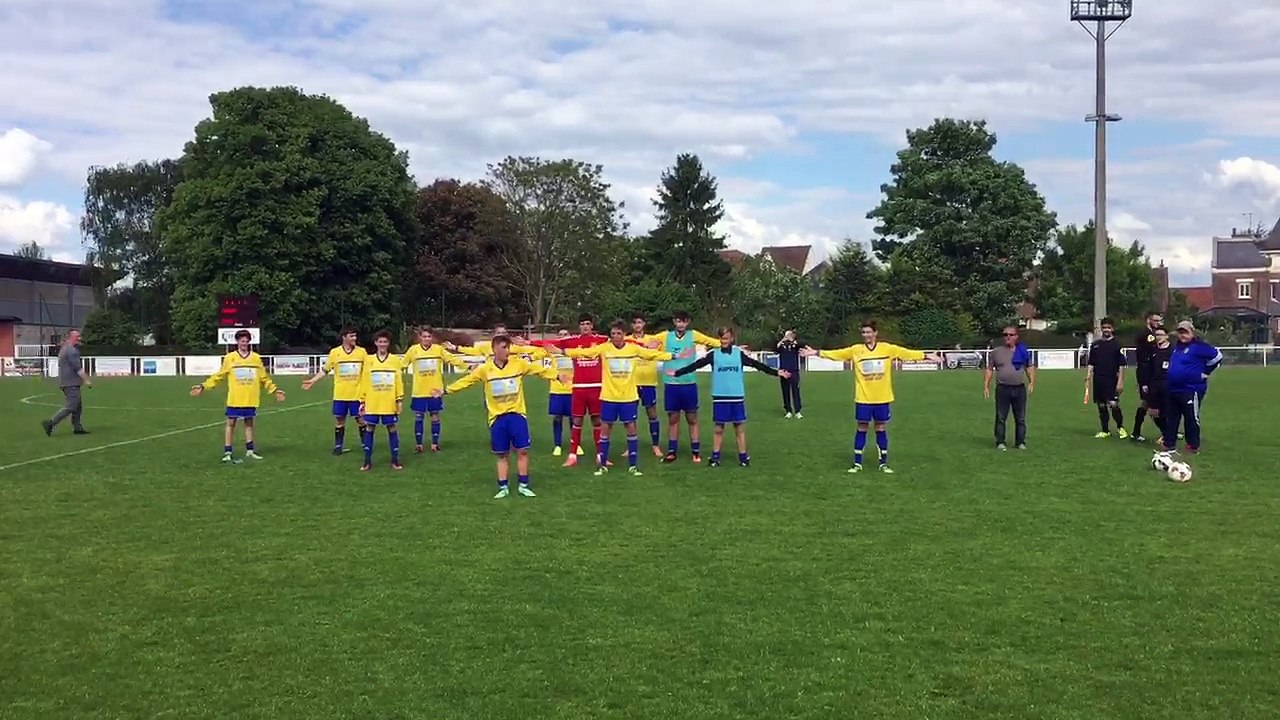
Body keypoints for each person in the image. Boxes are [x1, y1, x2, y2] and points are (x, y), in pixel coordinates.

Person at [435, 335, 570, 498]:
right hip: (497, 418)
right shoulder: (485, 369)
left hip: (517, 414)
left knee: (522, 451)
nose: (508, 351)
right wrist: (446, 391)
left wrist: (556, 375)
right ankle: (503, 487)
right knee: (501, 454)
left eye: (509, 347)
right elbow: (467, 381)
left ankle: (523, 485)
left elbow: (539, 371)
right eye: (504, 348)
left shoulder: (518, 364)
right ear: (494, 349)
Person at [800, 321, 941, 473]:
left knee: (880, 427)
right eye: (863, 332)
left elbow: (906, 353)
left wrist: (926, 356)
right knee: (862, 427)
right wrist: (815, 353)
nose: (866, 335)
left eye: (868, 332)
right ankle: (857, 463)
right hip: (863, 398)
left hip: (882, 397)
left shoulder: (887, 348)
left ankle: (883, 463)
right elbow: (837, 354)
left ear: (875, 333)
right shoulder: (856, 350)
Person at [551, 320, 679, 476]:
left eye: (619, 333)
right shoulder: (604, 348)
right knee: (605, 429)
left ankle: (633, 466)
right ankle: (602, 465)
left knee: (631, 429)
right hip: (609, 397)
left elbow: (652, 355)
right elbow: (585, 353)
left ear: (624, 334)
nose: (616, 336)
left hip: (628, 397)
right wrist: (562, 352)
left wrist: (674, 355)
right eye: (613, 334)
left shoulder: (633, 349)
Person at [667, 327, 788, 467]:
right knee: (718, 429)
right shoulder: (714, 355)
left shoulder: (739, 355)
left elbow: (757, 365)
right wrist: (677, 373)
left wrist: (776, 372)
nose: (723, 341)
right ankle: (715, 458)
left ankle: (743, 458)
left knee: (739, 428)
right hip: (720, 397)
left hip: (736, 396)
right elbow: (696, 365)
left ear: (731, 339)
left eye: (726, 338)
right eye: (721, 338)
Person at [189, 329, 285, 463]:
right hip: (235, 397)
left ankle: (250, 451)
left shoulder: (256, 358)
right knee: (231, 423)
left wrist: (275, 390)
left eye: (246, 341)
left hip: (250, 397)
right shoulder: (230, 358)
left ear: (249, 342)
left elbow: (264, 378)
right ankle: (228, 451)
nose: (244, 344)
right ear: (237, 342)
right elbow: (219, 375)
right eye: (242, 341)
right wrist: (203, 386)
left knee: (249, 424)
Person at [543, 315, 612, 467]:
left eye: (588, 323)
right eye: (582, 324)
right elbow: (551, 343)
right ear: (579, 326)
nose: (585, 326)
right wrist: (528, 342)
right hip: (579, 387)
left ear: (592, 325)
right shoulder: (573, 341)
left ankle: (601, 454)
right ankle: (572, 454)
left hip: (596, 386)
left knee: (597, 420)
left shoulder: (602, 340)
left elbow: (623, 340)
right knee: (577, 420)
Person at [657, 310, 720, 464]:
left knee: (692, 418)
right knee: (673, 418)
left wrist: (732, 345)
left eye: (684, 321)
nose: (681, 324)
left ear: (688, 322)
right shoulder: (665, 336)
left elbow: (714, 342)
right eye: (678, 321)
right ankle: (672, 451)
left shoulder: (694, 335)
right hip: (671, 384)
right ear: (674, 322)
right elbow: (645, 340)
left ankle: (695, 451)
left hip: (688, 383)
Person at [400, 326, 468, 453]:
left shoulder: (438, 350)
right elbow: (401, 365)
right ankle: (419, 444)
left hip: (435, 390)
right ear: (419, 337)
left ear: (432, 337)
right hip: (419, 390)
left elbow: (451, 359)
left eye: (429, 336)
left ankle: (434, 444)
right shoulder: (413, 350)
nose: (426, 339)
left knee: (435, 416)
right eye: (424, 336)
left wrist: (467, 366)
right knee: (419, 417)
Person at [302, 327, 369, 455]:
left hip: (357, 394)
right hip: (340, 394)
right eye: (351, 336)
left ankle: (366, 444)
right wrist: (313, 380)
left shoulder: (362, 352)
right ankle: (338, 446)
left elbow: (367, 372)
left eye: (355, 336)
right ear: (344, 337)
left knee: (360, 419)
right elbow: (325, 370)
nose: (354, 338)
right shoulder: (335, 352)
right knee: (339, 420)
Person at [1161, 321, 1223, 455]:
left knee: (1190, 417)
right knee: (1171, 417)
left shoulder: (1199, 346)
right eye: (1180, 332)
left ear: (1192, 332)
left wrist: (1206, 371)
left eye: (1185, 332)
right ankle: (1169, 444)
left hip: (1191, 388)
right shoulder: (1176, 347)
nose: (1182, 335)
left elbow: (1217, 356)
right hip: (1173, 388)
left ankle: (1193, 445)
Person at [357, 329, 405, 471]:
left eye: (385, 342)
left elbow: (398, 380)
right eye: (380, 342)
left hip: (389, 401)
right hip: (373, 401)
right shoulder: (369, 360)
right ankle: (367, 461)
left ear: (388, 343)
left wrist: (399, 400)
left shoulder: (395, 360)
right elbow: (364, 381)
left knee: (392, 428)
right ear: (376, 343)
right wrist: (362, 401)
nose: (382, 344)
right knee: (370, 427)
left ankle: (395, 461)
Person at [983, 326, 1035, 451]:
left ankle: (1020, 442)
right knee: (1001, 417)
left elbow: (1029, 367)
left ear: (1016, 336)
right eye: (1005, 334)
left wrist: (1032, 382)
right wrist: (986, 385)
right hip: (1003, 389)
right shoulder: (996, 352)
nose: (1007, 337)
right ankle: (1000, 441)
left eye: (1010, 334)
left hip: (1019, 389)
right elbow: (990, 369)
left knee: (1020, 418)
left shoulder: (1022, 351)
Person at [532, 328, 575, 456]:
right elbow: (535, 356)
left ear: (570, 336)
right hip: (556, 390)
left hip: (573, 389)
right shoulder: (550, 350)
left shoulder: (573, 351)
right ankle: (557, 444)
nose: (562, 337)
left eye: (565, 334)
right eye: (560, 335)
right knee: (557, 418)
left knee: (575, 418)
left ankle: (575, 443)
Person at [41, 329, 92, 436]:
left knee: (78, 406)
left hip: (68, 382)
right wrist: (86, 380)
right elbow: (77, 368)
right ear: (71, 337)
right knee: (72, 406)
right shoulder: (71, 351)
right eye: (77, 336)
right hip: (70, 383)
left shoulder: (65, 348)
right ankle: (51, 423)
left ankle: (77, 427)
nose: (79, 338)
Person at [629, 313, 666, 457]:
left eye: (640, 322)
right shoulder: (627, 340)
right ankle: (631, 445)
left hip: (649, 381)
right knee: (631, 416)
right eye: (635, 323)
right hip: (631, 382)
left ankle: (655, 445)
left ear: (644, 324)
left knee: (652, 413)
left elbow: (663, 353)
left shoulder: (653, 340)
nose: (637, 325)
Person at [1085, 317, 1128, 439]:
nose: (1106, 330)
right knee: (1101, 405)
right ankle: (1105, 430)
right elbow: (1091, 363)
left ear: (1112, 329)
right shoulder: (1096, 345)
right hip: (1098, 379)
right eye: (1104, 328)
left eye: (1108, 327)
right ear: (1101, 329)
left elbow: (1121, 365)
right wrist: (1088, 377)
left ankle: (1120, 428)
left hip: (1111, 379)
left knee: (1113, 404)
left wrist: (1120, 382)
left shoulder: (1117, 345)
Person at [1130, 311, 1163, 442]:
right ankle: (1167, 432)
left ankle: (1136, 432)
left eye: (1159, 321)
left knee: (1145, 404)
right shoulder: (1147, 335)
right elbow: (1144, 359)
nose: (1158, 323)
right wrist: (1144, 382)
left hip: (1149, 372)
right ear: (1149, 320)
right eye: (1156, 320)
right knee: (1152, 404)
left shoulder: (1151, 335)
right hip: (1146, 374)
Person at [1139, 326, 1174, 444]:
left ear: (1167, 336)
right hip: (1154, 384)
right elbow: (1146, 368)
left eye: (1161, 334)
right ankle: (1166, 433)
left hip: (1168, 384)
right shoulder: (1153, 350)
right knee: (1153, 412)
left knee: (1166, 411)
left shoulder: (1173, 351)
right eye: (1157, 335)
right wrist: (1144, 383)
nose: (1158, 337)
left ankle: (1168, 436)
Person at [776, 329, 803, 418]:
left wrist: (793, 340)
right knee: (785, 391)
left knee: (796, 391)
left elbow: (800, 346)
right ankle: (788, 410)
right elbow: (776, 348)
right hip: (784, 371)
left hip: (794, 371)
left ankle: (798, 411)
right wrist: (784, 339)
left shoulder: (795, 345)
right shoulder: (781, 346)